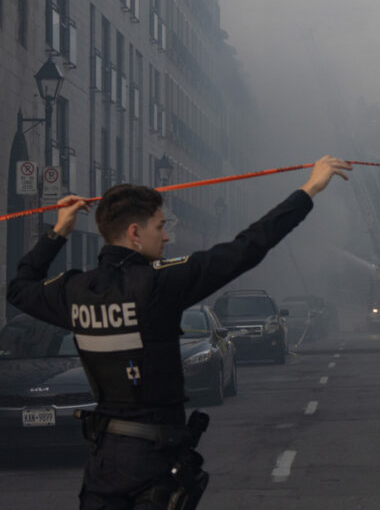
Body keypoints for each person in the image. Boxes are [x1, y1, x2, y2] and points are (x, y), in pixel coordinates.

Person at [7, 155, 352, 509]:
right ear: (134, 233)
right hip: (153, 461)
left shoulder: (75, 291)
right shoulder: (159, 284)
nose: (167, 235)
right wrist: (309, 189)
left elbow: (19, 287)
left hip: (103, 464)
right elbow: (248, 247)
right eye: (160, 225)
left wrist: (59, 230)